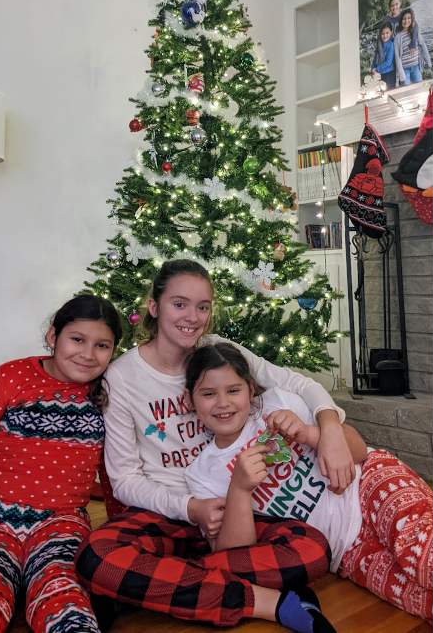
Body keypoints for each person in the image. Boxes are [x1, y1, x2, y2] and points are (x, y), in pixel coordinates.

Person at [75, 259, 356, 632]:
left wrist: (331, 429)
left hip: (247, 513)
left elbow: (299, 384)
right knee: (97, 556)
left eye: (203, 306)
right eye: (180, 304)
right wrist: (190, 508)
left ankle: (149, 585)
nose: (193, 317)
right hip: (171, 512)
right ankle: (268, 602)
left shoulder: (218, 350)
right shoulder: (122, 378)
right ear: (154, 306)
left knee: (314, 550)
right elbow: (125, 480)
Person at [184, 343, 433, 628]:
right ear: (189, 400)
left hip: (371, 484)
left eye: (233, 390)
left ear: (251, 390)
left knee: (427, 561)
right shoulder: (203, 474)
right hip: (345, 552)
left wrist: (308, 434)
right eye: (208, 394)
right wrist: (240, 490)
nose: (223, 402)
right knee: (422, 599)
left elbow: (359, 450)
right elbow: (234, 555)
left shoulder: (280, 403)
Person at [0, 295, 123, 633]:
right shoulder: (11, 377)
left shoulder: (108, 395)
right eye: (77, 339)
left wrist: (118, 528)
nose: (88, 354)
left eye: (102, 345)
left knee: (66, 602)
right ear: (53, 337)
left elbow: (114, 471)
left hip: (62, 524)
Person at [394, 8, 432, 86]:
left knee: (419, 88)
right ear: (401, 20)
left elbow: (423, 47)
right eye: (404, 19)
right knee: (406, 90)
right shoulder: (398, 37)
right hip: (405, 70)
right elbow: (397, 57)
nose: (406, 21)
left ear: (412, 19)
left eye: (409, 18)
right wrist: (401, 73)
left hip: (415, 67)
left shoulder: (415, 34)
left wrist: (428, 61)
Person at [371, 23, 397, 90]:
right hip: (379, 74)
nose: (385, 36)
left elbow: (388, 62)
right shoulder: (379, 45)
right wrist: (372, 69)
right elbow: (375, 59)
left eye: (387, 33)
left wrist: (376, 69)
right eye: (383, 33)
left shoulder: (391, 45)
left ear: (391, 32)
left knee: (389, 93)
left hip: (389, 74)